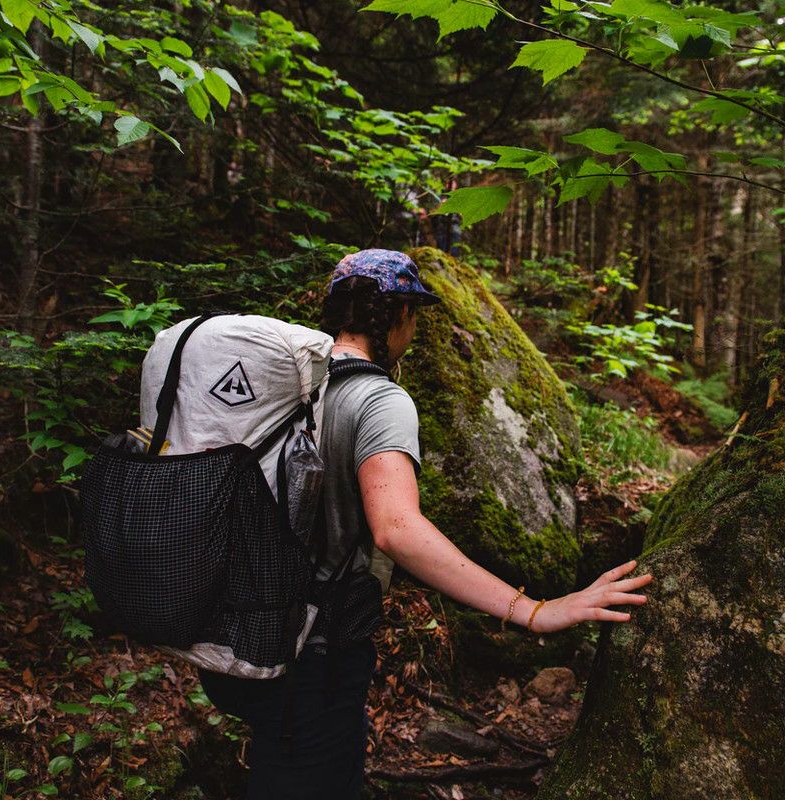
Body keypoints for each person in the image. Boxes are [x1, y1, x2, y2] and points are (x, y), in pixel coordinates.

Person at [199, 248, 653, 800]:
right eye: (414, 317)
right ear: (398, 315)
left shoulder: (279, 386)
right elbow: (397, 529)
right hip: (312, 657)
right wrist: (535, 611)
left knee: (281, 766)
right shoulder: (378, 399)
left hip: (232, 638)